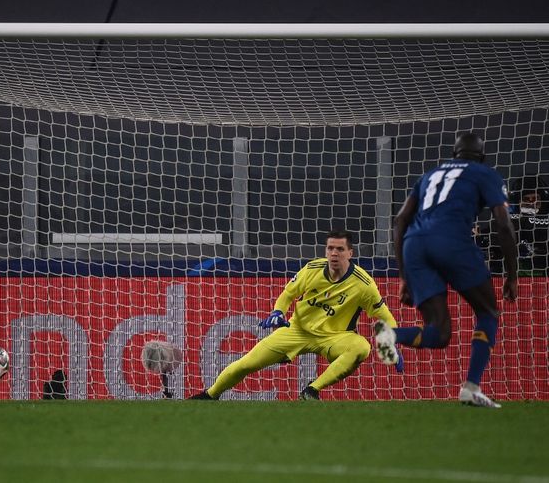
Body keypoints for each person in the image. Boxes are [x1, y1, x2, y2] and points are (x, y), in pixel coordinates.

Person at [375, 132, 518, 408]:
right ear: (481, 157)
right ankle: (471, 387)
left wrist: (404, 275)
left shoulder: (429, 175)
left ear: (453, 155)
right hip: (451, 241)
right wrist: (512, 275)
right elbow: (503, 223)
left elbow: (400, 219)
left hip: (414, 245)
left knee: (439, 334)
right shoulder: (483, 173)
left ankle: (392, 335)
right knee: (488, 312)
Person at [189, 230, 401, 401]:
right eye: (330, 248)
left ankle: (312, 390)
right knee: (247, 364)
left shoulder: (363, 284)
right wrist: (278, 311)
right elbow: (288, 293)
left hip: (335, 337)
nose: (334, 253)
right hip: (297, 330)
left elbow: (385, 316)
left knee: (361, 347)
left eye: (340, 249)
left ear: (350, 253)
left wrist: (393, 342)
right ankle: (210, 395)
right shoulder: (313, 269)